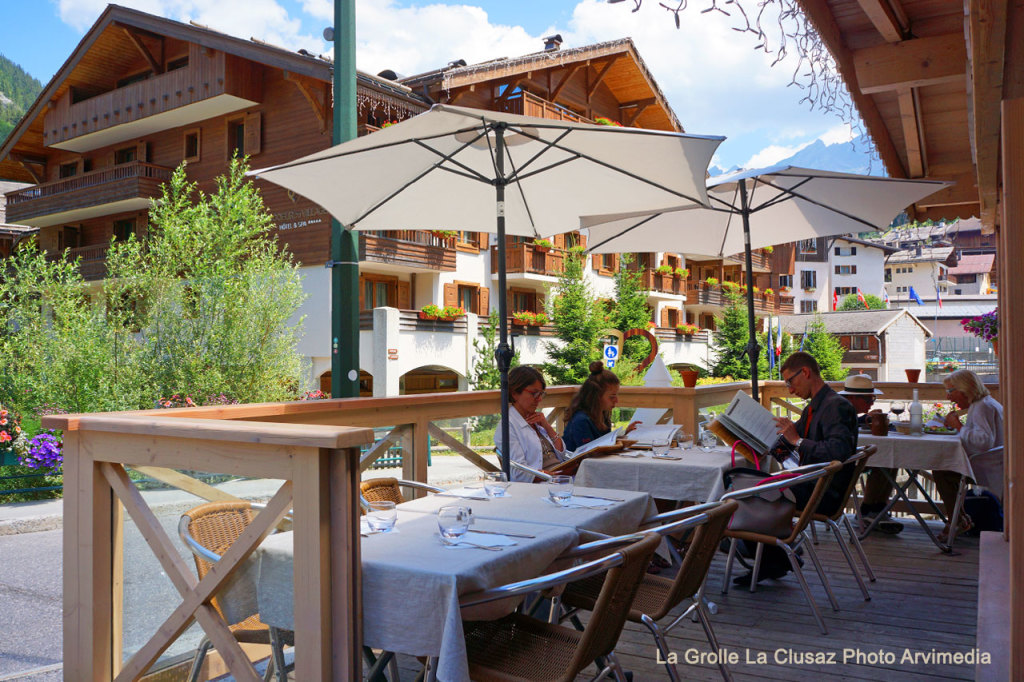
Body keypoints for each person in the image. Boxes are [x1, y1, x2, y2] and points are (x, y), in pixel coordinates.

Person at [732, 351, 858, 586]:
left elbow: (838, 452)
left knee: (746, 494)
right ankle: (775, 556)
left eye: (790, 381)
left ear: (806, 372)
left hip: (823, 492)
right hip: (811, 483)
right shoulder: (816, 407)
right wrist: (761, 443)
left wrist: (797, 441)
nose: (790, 390)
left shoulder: (836, 406)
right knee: (749, 485)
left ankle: (772, 556)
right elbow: (790, 444)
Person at [933, 369, 1004, 542]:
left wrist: (958, 426)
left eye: (950, 391)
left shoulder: (982, 407)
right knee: (943, 469)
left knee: (942, 471)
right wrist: (957, 427)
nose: (948, 397)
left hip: (987, 466)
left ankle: (958, 520)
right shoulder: (985, 403)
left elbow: (983, 441)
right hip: (995, 463)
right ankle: (959, 519)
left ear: (965, 389)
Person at [838, 374, 903, 535]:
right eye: (868, 399)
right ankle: (869, 511)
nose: (872, 403)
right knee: (884, 460)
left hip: (854, 456)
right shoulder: (838, 411)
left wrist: (866, 418)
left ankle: (875, 510)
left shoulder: (847, 411)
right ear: (852, 398)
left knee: (888, 460)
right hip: (840, 462)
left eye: (873, 398)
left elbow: (853, 423)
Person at [494, 366, 566, 482]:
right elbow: (519, 473)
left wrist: (547, 427)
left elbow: (562, 454)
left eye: (541, 394)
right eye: (534, 393)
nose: (539, 399)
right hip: (545, 484)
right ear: (514, 393)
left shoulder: (537, 420)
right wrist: (549, 476)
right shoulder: (508, 427)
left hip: (559, 476)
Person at [562, 361, 639, 452]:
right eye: (612, 397)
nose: (616, 401)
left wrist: (624, 433)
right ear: (596, 397)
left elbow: (604, 443)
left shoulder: (603, 415)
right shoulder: (581, 421)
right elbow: (589, 453)